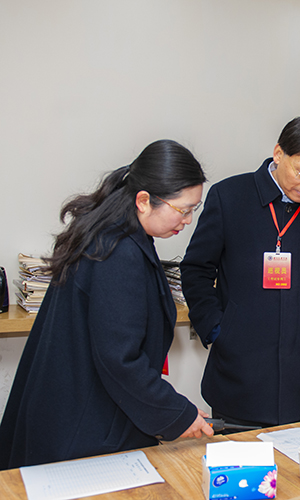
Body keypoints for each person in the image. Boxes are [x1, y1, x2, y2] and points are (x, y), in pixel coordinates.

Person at [0, 140, 213, 470]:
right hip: (83, 427)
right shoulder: (118, 252)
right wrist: (177, 413)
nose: (187, 220)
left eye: (193, 210)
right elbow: (120, 359)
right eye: (183, 210)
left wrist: (175, 410)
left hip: (75, 409)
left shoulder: (114, 235)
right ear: (144, 201)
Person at [181, 116, 300, 428]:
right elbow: (196, 269)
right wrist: (217, 329)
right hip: (238, 371)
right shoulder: (230, 196)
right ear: (279, 154)